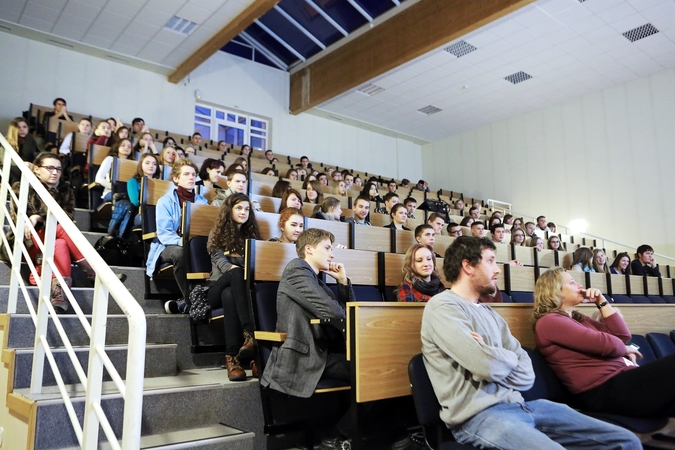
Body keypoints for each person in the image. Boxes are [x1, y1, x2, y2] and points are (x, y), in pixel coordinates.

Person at [422, 237, 641, 450]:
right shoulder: (443, 306)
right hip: (480, 417)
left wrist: (492, 352)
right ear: (467, 266)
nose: (497, 270)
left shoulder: (491, 314)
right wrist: (499, 358)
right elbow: (486, 366)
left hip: (524, 405)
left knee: (626, 441)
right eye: (490, 261)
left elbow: (526, 375)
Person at [533, 267, 675, 419]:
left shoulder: (578, 318)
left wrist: (601, 301)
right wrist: (624, 349)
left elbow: (622, 335)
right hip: (603, 392)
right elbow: (613, 345)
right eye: (573, 282)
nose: (580, 285)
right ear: (556, 291)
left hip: (620, 382)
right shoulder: (549, 322)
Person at [261, 228, 354, 396]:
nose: (332, 255)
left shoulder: (315, 279)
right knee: (373, 370)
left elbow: (350, 313)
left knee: (377, 367)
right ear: (309, 249)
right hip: (305, 358)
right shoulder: (296, 270)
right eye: (327, 248)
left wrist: (343, 282)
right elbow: (334, 313)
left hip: (324, 353)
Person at [4, 153, 100, 311]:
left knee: (61, 243)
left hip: (52, 239)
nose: (55, 172)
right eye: (49, 168)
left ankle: (59, 295)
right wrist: (37, 218)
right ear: (36, 169)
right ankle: (91, 270)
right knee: (60, 227)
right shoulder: (22, 187)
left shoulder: (65, 189)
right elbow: (20, 219)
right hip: (25, 241)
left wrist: (38, 217)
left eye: (58, 169)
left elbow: (68, 216)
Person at [207, 193, 261, 380]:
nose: (243, 212)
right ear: (229, 210)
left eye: (247, 209)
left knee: (230, 295)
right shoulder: (217, 233)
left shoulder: (251, 236)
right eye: (239, 208)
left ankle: (232, 358)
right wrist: (242, 270)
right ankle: (250, 336)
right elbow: (222, 264)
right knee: (236, 273)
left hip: (235, 292)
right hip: (214, 288)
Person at [146, 159, 208, 313]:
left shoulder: (202, 202)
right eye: (186, 174)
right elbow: (164, 234)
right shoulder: (165, 201)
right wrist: (184, 243)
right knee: (181, 253)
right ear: (176, 178)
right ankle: (191, 302)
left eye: (193, 174)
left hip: (195, 246)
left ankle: (204, 298)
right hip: (168, 246)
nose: (191, 177)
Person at [95, 138, 134, 203]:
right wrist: (114, 188)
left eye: (129, 147)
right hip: (111, 192)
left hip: (127, 194)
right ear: (117, 147)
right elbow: (98, 178)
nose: (126, 147)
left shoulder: (132, 164)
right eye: (123, 145)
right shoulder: (110, 159)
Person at [127, 153, 160, 228]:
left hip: (158, 214)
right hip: (140, 214)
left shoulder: (160, 183)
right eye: (147, 163)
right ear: (141, 165)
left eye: (154, 164)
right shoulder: (133, 181)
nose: (151, 166)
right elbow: (136, 202)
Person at [6, 117, 40, 184]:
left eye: (24, 127)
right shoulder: (6, 141)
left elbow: (29, 155)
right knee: (14, 171)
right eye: (19, 127)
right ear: (13, 129)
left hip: (28, 166)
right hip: (13, 167)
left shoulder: (30, 139)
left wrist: (29, 137)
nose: (22, 130)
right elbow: (4, 160)